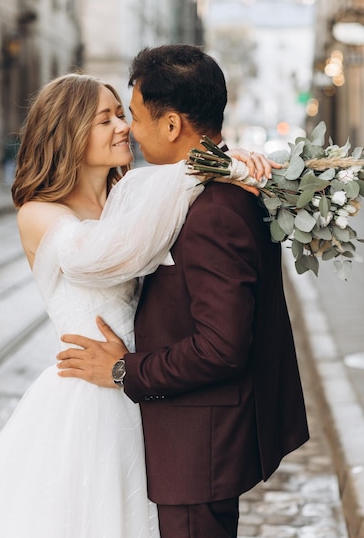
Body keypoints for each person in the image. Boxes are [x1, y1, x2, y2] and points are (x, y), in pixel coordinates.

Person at [0, 71, 270, 537]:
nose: (124, 127)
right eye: (106, 119)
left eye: (122, 114)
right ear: (70, 133)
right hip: (88, 399)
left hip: (146, 388)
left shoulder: (131, 193)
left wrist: (226, 164)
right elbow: (108, 257)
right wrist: (203, 167)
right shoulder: (39, 213)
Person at [57, 45, 310, 538]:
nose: (128, 128)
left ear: (171, 125)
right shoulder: (202, 186)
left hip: (197, 449)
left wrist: (120, 369)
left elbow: (223, 347)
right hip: (183, 441)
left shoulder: (214, 210)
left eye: (132, 115)